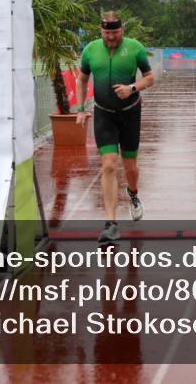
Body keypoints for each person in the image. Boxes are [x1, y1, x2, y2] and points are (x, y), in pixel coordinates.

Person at [75, 12, 155, 243]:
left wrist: (132, 88)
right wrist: (80, 108)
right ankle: (111, 224)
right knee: (109, 164)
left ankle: (133, 193)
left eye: (115, 32)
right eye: (107, 33)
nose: (111, 37)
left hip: (130, 113)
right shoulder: (90, 50)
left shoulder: (135, 48)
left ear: (122, 29)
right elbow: (82, 79)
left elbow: (149, 78)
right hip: (104, 114)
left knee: (130, 167)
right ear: (101, 31)